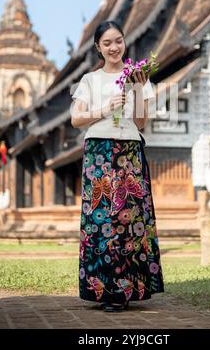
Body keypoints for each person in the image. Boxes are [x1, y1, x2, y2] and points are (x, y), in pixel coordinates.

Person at [71, 20, 164, 312]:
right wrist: (106, 108)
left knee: (130, 220)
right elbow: (76, 118)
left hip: (129, 149)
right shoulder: (90, 79)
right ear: (98, 47)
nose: (114, 47)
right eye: (107, 42)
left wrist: (136, 90)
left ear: (125, 42)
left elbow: (140, 122)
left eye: (118, 40)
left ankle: (126, 290)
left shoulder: (137, 76)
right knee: (101, 220)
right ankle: (103, 289)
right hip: (99, 150)